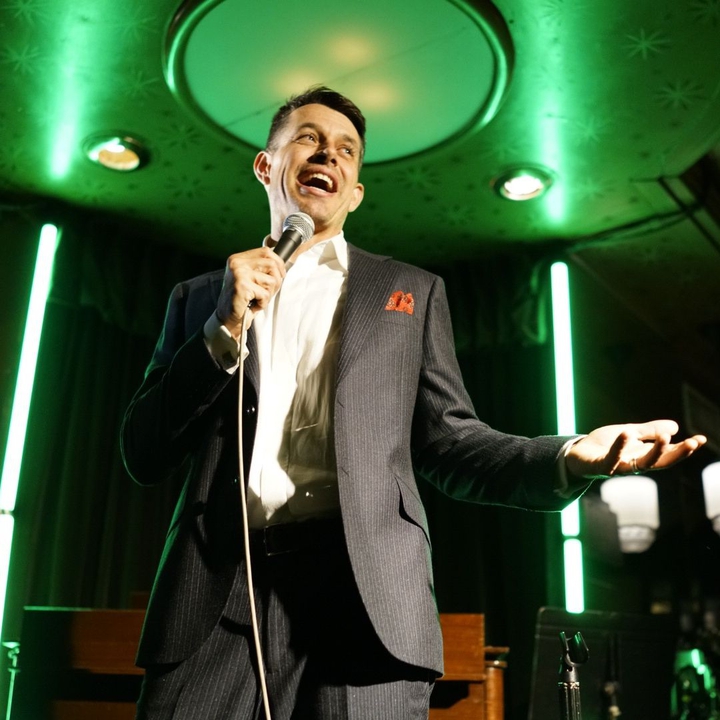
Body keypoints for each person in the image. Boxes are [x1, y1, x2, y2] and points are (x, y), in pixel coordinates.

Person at [121, 86, 706, 720]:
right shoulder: (199, 299)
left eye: (347, 150)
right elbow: (143, 452)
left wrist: (569, 456)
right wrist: (222, 330)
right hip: (218, 595)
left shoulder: (410, 292)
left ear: (355, 192)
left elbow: (453, 442)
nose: (329, 154)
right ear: (267, 165)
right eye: (309, 138)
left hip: (366, 601)